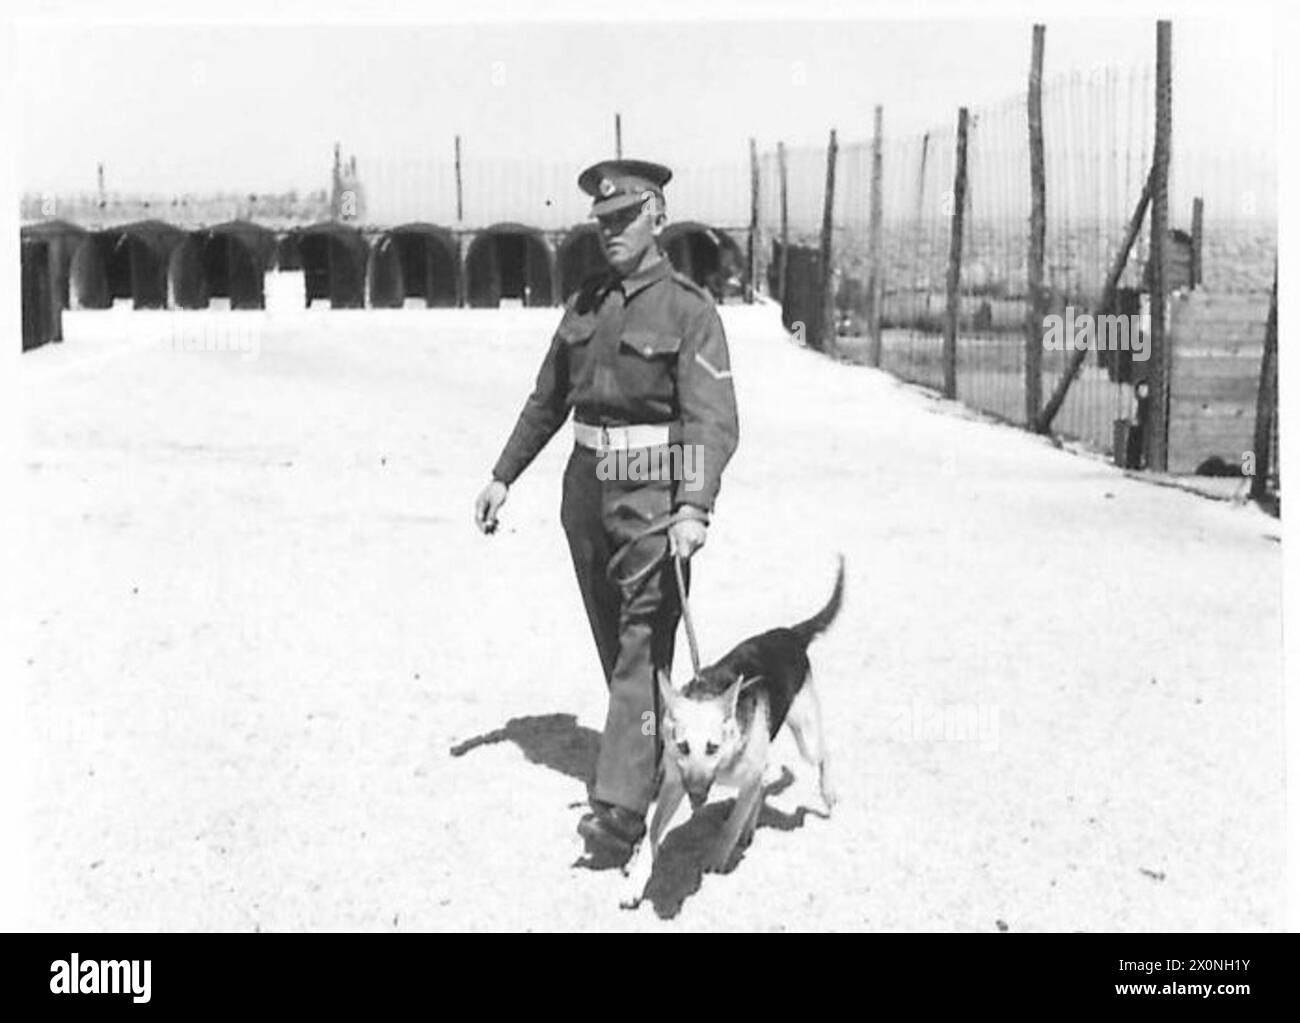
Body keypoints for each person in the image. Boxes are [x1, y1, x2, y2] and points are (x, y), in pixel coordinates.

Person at [473, 158, 740, 858]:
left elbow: (713, 421)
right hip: (586, 492)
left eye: (623, 219)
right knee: (616, 637)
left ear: (656, 215)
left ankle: (619, 812)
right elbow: (547, 399)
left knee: (640, 641)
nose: (611, 233)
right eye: (601, 223)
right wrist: (504, 474)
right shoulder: (585, 305)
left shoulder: (689, 309)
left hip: (654, 490)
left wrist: (694, 506)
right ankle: (651, 748)